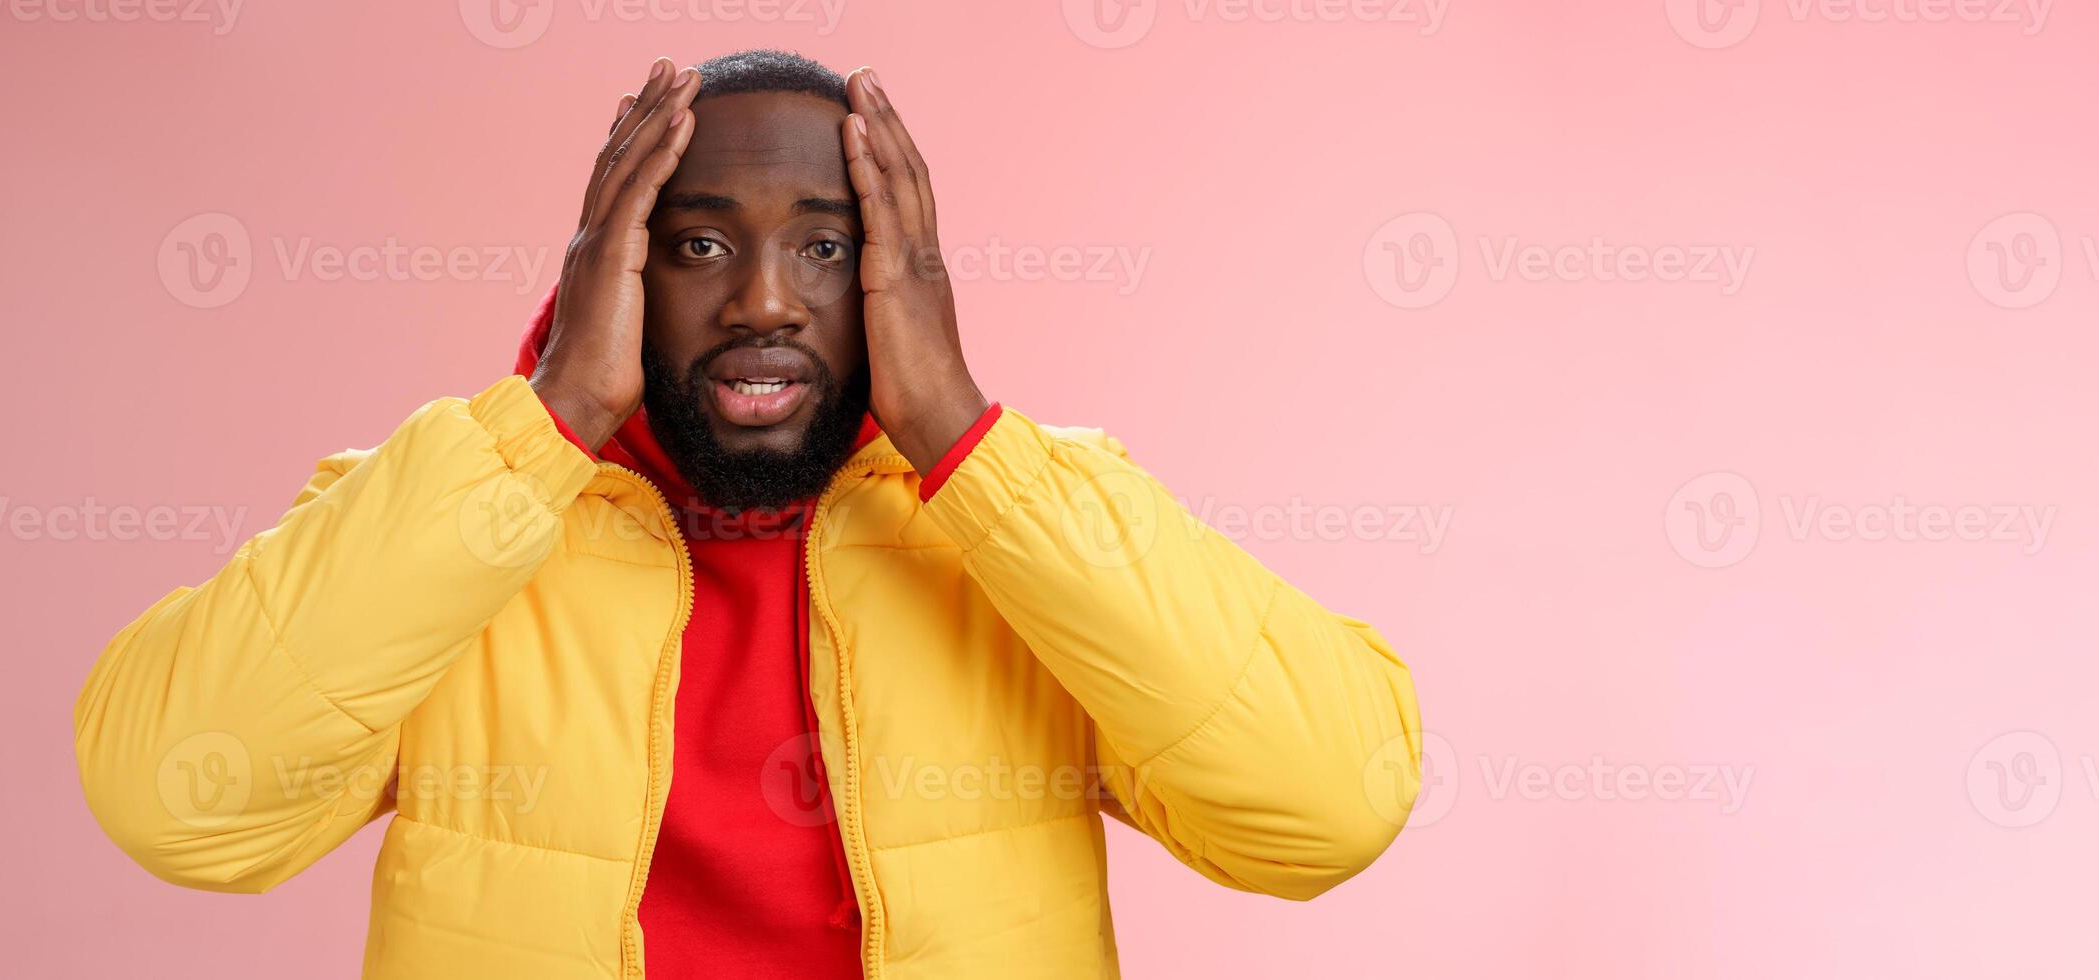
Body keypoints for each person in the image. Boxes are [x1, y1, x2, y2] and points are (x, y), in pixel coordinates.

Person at [74, 48, 1422, 980]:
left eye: (827, 246)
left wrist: (962, 432)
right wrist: (540, 424)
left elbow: (1325, 807)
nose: (764, 300)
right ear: (615, 270)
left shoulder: (1030, 537)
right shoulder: (446, 522)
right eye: (698, 243)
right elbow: (175, 804)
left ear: (901, 275)